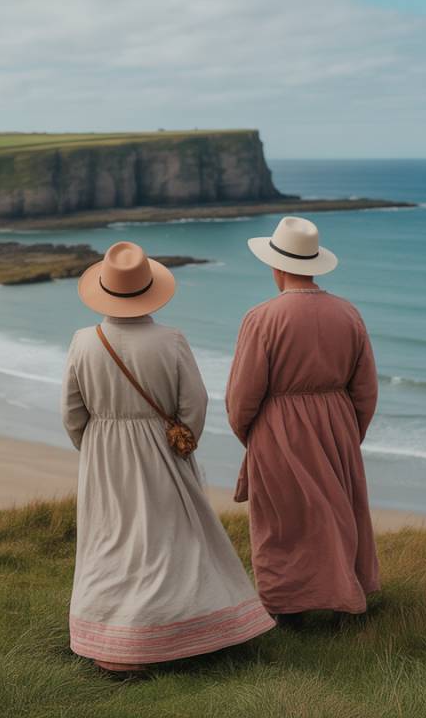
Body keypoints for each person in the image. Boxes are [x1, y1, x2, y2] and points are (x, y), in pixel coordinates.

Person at [62, 241, 275, 673]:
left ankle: (113, 643)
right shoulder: (171, 339)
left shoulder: (84, 341)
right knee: (171, 543)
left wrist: (96, 447)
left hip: (105, 454)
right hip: (161, 451)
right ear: (148, 290)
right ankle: (181, 634)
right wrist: (181, 441)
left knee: (110, 543)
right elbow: (194, 403)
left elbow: (72, 412)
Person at [225, 216, 380, 621]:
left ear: (276, 266)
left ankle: (286, 606)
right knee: (336, 516)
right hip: (337, 424)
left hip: (278, 426)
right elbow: (365, 389)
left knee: (283, 520)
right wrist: (349, 433)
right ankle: (341, 599)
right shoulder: (348, 314)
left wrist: (251, 435)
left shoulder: (262, 317)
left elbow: (243, 395)